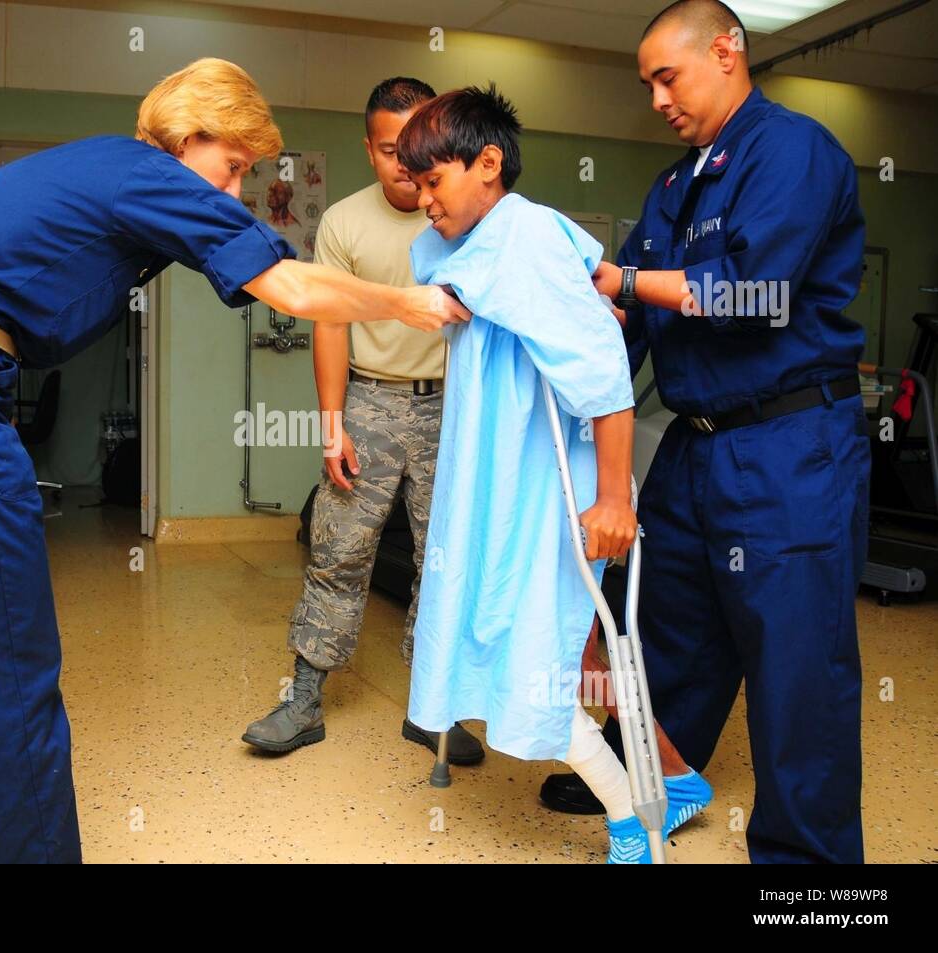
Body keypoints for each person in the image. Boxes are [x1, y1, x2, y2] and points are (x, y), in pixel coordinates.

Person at [0, 57, 469, 864]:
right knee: (3, 668)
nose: (234, 189)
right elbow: (297, 290)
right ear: (192, 134)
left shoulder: (101, 165)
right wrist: (413, 301)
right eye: (234, 165)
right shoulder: (150, 171)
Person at [545, 0, 871, 864]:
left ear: (726, 52)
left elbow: (751, 294)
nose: (656, 98)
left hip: (788, 445)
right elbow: (632, 329)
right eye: (646, 82)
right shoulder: (674, 185)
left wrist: (622, 276)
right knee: (639, 627)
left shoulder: (791, 150)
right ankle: (668, 779)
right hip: (694, 445)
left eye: (666, 76)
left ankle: (813, 883)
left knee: (796, 672)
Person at [396, 84, 657, 862]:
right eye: (413, 184)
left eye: (433, 181)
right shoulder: (455, 243)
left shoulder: (531, 234)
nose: (422, 201)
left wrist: (614, 498)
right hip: (486, 477)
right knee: (487, 636)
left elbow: (606, 376)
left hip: (547, 485)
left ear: (488, 162)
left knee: (538, 658)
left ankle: (631, 819)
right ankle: (643, 798)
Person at [243, 77, 484, 767]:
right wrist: (331, 424)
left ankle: (434, 711)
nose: (405, 168)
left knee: (446, 561)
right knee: (338, 550)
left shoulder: (464, 216)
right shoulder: (345, 222)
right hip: (371, 403)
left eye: (416, 149)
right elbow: (330, 326)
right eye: (388, 150)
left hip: (452, 405)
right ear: (368, 147)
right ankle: (304, 701)